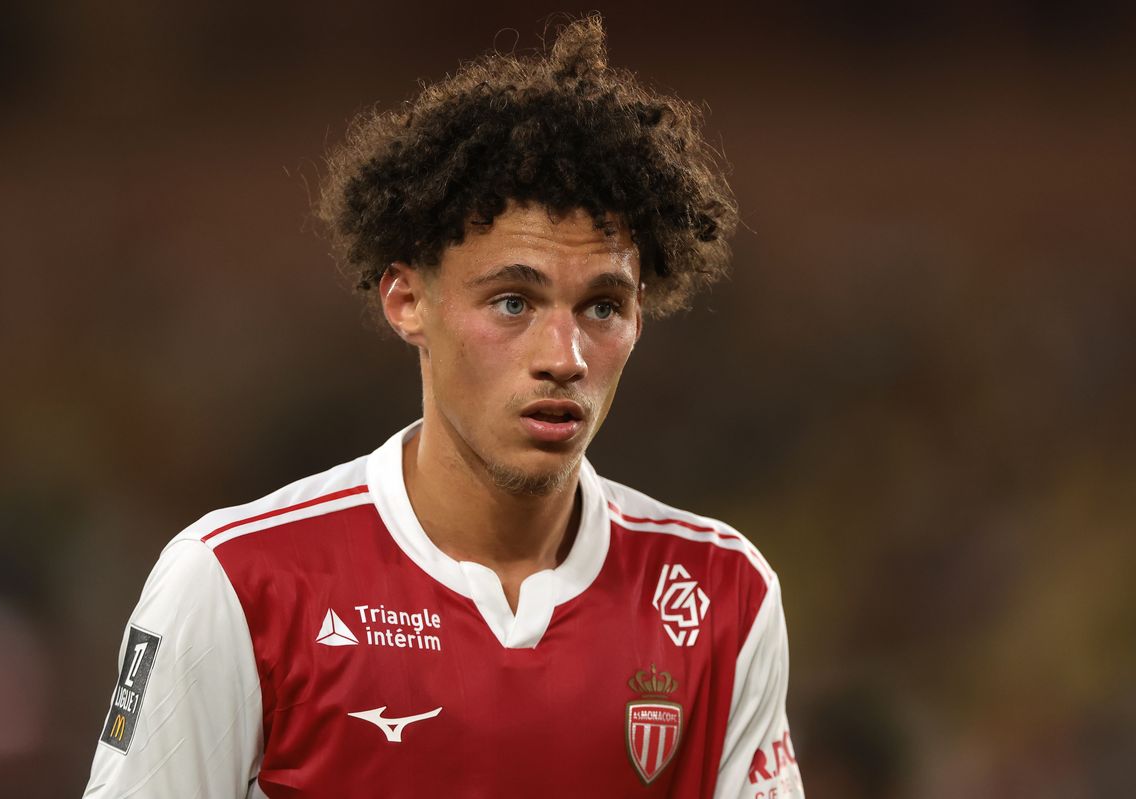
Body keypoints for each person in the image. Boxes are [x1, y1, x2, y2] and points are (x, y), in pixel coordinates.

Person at [83, 15, 804, 799]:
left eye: (602, 306)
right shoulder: (235, 583)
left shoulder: (722, 595)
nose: (564, 357)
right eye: (512, 301)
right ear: (406, 301)